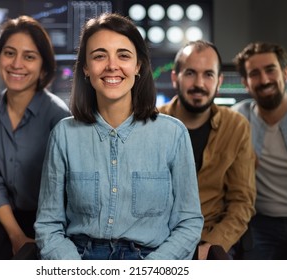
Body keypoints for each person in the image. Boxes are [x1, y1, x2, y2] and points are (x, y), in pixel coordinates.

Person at [34, 13, 203, 260]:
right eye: (100, 56)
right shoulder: (63, 135)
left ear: (138, 67)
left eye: (123, 55)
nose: (112, 65)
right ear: (85, 69)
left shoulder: (173, 134)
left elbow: (188, 223)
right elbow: (48, 225)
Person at [0, 15, 71, 260]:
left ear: (43, 66)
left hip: (48, 218)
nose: (16, 64)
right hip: (0, 213)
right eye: (9, 53)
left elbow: (62, 189)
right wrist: (16, 236)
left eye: (29, 56)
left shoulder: (59, 115)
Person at [158, 40, 256, 260]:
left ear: (219, 81)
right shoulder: (151, 122)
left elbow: (241, 202)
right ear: (176, 77)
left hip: (212, 238)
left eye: (208, 75)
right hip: (160, 240)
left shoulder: (236, 126)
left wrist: (211, 247)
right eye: (190, 73)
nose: (199, 83)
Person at [232, 42, 287, 259]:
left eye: (270, 70)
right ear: (245, 83)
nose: (264, 80)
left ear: (285, 73)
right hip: (260, 224)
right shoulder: (236, 119)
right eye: (254, 74)